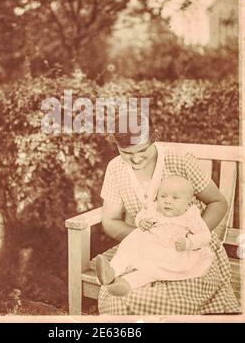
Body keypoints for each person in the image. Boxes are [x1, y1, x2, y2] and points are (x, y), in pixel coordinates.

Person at [98, 112, 240, 314]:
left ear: (154, 136)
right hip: (145, 245)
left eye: (142, 150)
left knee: (170, 301)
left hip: (189, 250)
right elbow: (110, 221)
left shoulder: (180, 160)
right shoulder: (115, 169)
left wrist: (189, 237)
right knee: (116, 295)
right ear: (115, 144)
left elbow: (218, 202)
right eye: (127, 152)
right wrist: (147, 239)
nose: (136, 159)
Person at [96, 176, 214, 296]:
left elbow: (204, 235)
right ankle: (111, 270)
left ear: (190, 201)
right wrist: (141, 221)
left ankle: (126, 284)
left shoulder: (190, 216)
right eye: (163, 196)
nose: (167, 201)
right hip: (149, 245)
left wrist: (189, 243)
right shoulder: (154, 208)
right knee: (128, 249)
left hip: (171, 251)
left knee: (152, 270)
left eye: (175, 198)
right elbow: (142, 214)